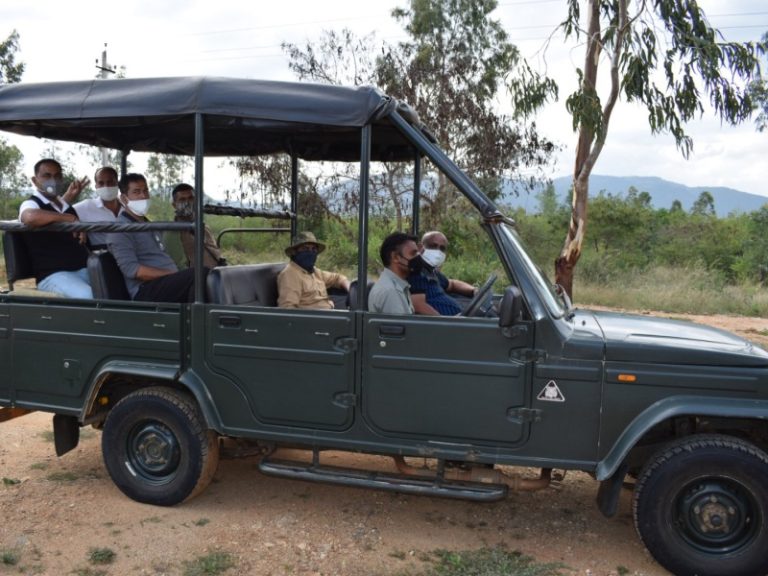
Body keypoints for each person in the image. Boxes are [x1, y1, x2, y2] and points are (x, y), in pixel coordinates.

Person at [107, 173, 197, 303]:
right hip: (146, 290)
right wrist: (174, 275)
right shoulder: (120, 230)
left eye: (145, 191)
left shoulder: (148, 225)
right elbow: (134, 271)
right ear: (124, 198)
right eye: (136, 192)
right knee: (198, 275)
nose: (143, 196)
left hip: (165, 282)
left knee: (209, 275)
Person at [18, 158, 93, 298]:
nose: (53, 180)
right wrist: (70, 219)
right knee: (88, 296)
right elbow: (29, 217)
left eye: (57, 176)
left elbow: (57, 208)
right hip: (53, 275)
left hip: (84, 269)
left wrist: (68, 203)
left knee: (116, 288)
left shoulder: (63, 205)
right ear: (35, 180)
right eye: (47, 175)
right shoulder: (31, 203)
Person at [408, 230, 475, 316]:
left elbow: (452, 284)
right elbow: (418, 305)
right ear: (421, 247)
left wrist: (474, 290)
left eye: (442, 248)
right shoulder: (416, 273)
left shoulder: (431, 271)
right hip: (444, 326)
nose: (438, 251)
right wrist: (444, 321)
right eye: (433, 246)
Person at [277, 231, 350, 309]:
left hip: (329, 311)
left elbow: (337, 278)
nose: (310, 252)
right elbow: (288, 310)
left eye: (313, 249)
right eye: (305, 248)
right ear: (295, 252)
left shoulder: (314, 271)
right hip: (317, 318)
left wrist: (351, 290)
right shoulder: (290, 275)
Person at [163, 183, 224, 269]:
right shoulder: (173, 232)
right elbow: (178, 265)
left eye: (190, 198)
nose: (187, 202)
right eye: (182, 200)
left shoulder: (204, 227)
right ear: (174, 205)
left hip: (217, 272)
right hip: (196, 278)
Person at [368, 232, 419, 315]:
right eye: (413, 253)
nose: (418, 258)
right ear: (395, 257)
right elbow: (403, 326)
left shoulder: (398, 286)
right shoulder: (390, 291)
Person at [71, 166, 121, 249]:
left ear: (117, 183)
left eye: (110, 182)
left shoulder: (128, 207)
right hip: (103, 257)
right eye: (101, 183)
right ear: (96, 186)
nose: (106, 186)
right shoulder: (87, 206)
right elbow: (59, 213)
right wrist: (78, 225)